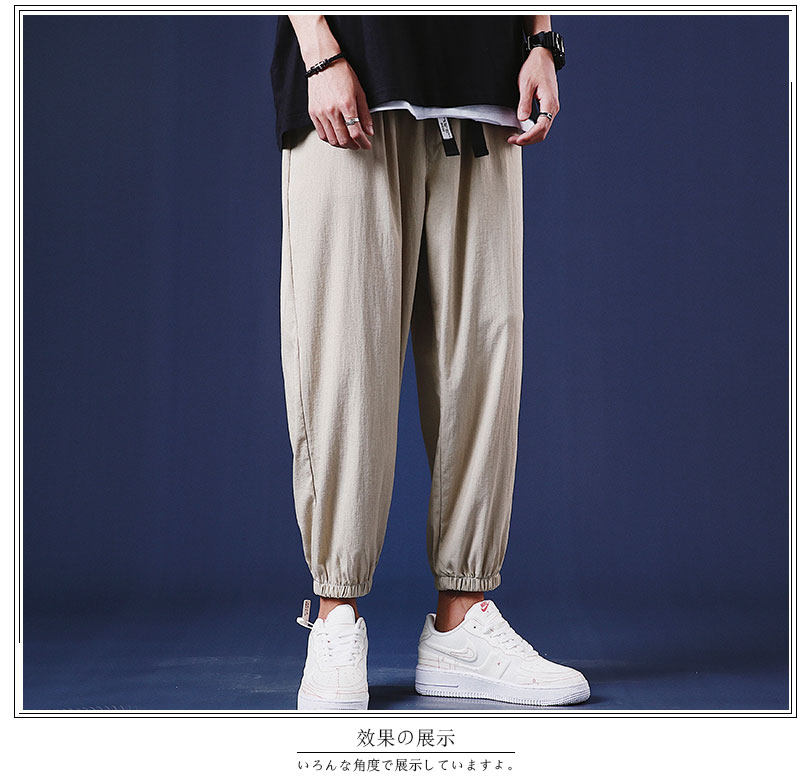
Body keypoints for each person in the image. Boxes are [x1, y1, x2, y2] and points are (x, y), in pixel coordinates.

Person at [270, 13, 590, 710]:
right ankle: (336, 616)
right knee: (344, 357)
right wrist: (318, 53)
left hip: (482, 81)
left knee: (485, 352)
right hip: (352, 68)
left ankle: (462, 623)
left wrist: (540, 40)